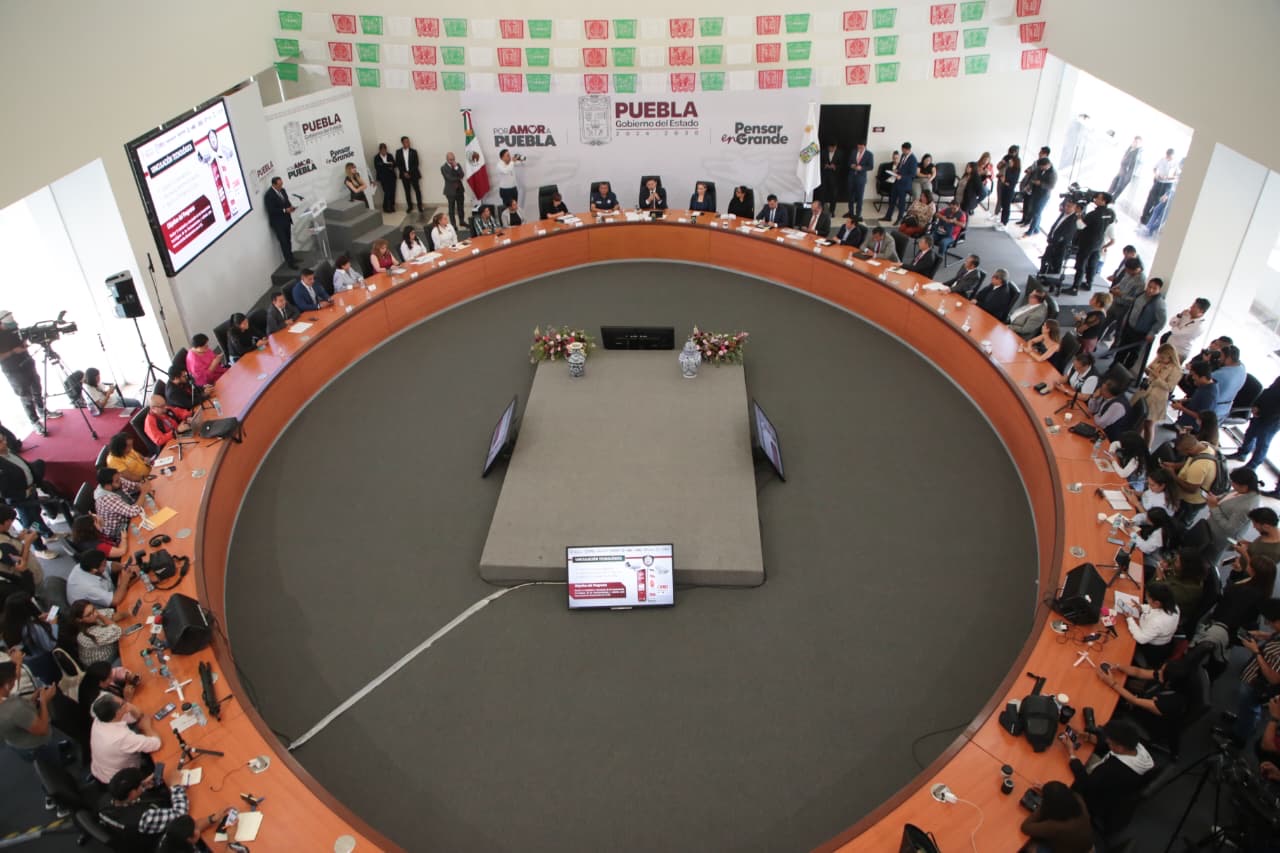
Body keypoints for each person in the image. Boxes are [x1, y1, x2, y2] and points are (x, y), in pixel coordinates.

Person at [1063, 718, 1153, 835]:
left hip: (1098, 801)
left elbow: (1087, 784)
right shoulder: (1138, 748)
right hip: (1117, 792)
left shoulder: (1114, 770)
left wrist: (1071, 753)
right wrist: (1089, 737)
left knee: (1064, 777)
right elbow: (1112, 747)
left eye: (1109, 742)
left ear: (1120, 748)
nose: (1107, 741)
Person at [1097, 653, 1198, 751]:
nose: (1158, 671)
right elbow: (1139, 672)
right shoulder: (1168, 678)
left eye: (1162, 671)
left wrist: (1111, 683)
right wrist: (1118, 667)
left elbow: (1134, 700)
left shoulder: (1171, 702)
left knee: (1106, 708)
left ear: (1169, 682)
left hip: (1150, 723)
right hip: (1143, 700)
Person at [1225, 599, 1280, 747]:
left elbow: (1274, 678)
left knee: (1250, 707)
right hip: (1254, 677)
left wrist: (1256, 651)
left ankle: (1239, 736)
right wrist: (1265, 635)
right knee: (1246, 706)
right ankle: (1242, 721)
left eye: (1270, 621)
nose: (1267, 624)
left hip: (1260, 684)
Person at [0, 434, 63, 559]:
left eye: (3, 439)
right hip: (21, 500)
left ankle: (47, 534)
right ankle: (39, 548)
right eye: (0, 442)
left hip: (31, 492)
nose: (5, 443)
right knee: (30, 524)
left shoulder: (9, 452)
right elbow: (4, 492)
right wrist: (25, 493)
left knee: (36, 516)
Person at [98, 766, 192, 844]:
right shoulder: (145, 818)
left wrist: (142, 787)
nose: (142, 784)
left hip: (125, 838)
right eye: (140, 784)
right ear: (132, 793)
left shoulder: (105, 800)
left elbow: (130, 798)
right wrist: (176, 786)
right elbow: (180, 814)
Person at [0, 311, 59, 434]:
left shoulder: (14, 328)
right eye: (8, 324)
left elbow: (22, 339)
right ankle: (35, 422)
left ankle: (42, 410)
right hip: (13, 369)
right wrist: (13, 351)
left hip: (27, 361)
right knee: (25, 395)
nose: (12, 325)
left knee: (37, 387)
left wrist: (25, 344)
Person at [90, 693, 161, 784]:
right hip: (118, 780)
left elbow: (137, 716)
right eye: (123, 703)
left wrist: (127, 706)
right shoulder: (120, 737)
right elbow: (156, 744)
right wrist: (147, 727)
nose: (126, 703)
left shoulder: (101, 718)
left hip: (102, 769)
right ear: (117, 713)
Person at [0, 659, 60, 762]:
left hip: (16, 741)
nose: (15, 683)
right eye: (14, 681)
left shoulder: (7, 702)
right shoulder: (14, 708)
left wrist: (32, 701)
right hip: (36, 745)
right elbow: (42, 729)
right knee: (51, 761)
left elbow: (17, 718)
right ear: (6, 685)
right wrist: (44, 701)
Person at [1205, 467, 1262, 564]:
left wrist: (1214, 508)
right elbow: (1228, 495)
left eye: (1234, 483)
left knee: (1210, 559)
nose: (1231, 484)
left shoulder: (1246, 506)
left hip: (1220, 537)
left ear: (1244, 486)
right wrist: (1216, 498)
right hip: (1212, 527)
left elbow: (1230, 528)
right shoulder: (1242, 491)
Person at [1019, 780, 1092, 853]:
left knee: (1028, 845)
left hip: (1068, 850)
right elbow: (1064, 794)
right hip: (1085, 844)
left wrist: (1044, 805)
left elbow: (1025, 827)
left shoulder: (1057, 826)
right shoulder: (1078, 799)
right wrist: (1048, 792)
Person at [1129, 343, 1182, 444]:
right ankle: (1132, 440)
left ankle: (1147, 446)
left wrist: (1157, 378)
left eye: (1163, 358)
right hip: (1146, 390)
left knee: (1149, 424)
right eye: (1159, 357)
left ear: (1170, 356)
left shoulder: (1176, 370)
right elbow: (1149, 367)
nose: (1160, 359)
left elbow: (1169, 387)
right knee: (1138, 419)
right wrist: (1149, 370)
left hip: (1157, 397)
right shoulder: (1159, 359)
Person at [1, 593, 57, 683]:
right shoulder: (32, 628)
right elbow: (49, 645)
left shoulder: (6, 626)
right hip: (43, 664)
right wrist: (53, 625)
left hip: (25, 664)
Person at [1161, 431, 1218, 521]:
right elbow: (1190, 460)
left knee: (1180, 521)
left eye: (1181, 452)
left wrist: (1173, 475)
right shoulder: (1203, 445)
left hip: (1192, 501)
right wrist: (1174, 465)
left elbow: (1192, 489)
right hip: (1190, 490)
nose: (1180, 454)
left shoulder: (1199, 466)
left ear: (1189, 450)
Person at [1115, 277, 1167, 370]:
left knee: (1133, 354)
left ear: (1159, 290)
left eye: (1154, 288)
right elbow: (1132, 308)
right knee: (1121, 349)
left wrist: (1152, 332)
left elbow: (1161, 321)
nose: (1150, 290)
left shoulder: (1159, 304)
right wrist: (1126, 319)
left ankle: (1124, 371)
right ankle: (1113, 368)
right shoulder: (1141, 295)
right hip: (1129, 328)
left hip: (1141, 334)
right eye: (1149, 287)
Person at [1231, 376, 1280, 470]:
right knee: (1249, 435)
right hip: (1259, 414)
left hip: (1271, 421)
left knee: (1262, 444)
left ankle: (1252, 466)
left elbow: (1277, 410)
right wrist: (1255, 406)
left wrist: (1260, 412)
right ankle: (1242, 454)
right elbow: (1267, 392)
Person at [1072, 191, 1116, 292]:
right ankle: (1089, 283)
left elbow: (1080, 226)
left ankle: (1075, 287)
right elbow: (1110, 223)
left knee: (1081, 264)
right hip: (1099, 242)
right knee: (1092, 264)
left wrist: (1078, 214)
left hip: (1087, 242)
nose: (1095, 199)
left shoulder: (1093, 214)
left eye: (1098, 198)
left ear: (1104, 201)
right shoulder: (1111, 213)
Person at [67, 549, 134, 610]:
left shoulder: (89, 564)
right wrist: (125, 578)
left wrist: (123, 566)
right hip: (101, 611)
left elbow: (110, 565)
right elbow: (115, 601)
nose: (106, 564)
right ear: (94, 570)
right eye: (104, 564)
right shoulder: (89, 587)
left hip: (111, 593)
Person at [63, 599, 122, 667]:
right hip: (105, 661)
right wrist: (100, 616)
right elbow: (117, 631)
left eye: (93, 609)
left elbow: (113, 616)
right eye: (89, 615)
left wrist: (129, 612)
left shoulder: (92, 614)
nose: (95, 614)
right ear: (79, 620)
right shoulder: (85, 635)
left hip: (111, 645)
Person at [92, 468, 143, 543]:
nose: (120, 481)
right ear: (107, 485)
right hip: (120, 531)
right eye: (117, 481)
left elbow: (134, 486)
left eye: (119, 478)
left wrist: (142, 487)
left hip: (129, 515)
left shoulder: (115, 480)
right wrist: (144, 492)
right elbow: (133, 512)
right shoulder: (106, 499)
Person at [1170, 362, 1217, 431]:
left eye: (1194, 376)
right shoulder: (1204, 385)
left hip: (1191, 428)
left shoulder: (1210, 395)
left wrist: (1181, 408)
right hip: (1185, 421)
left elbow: (1200, 416)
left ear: (1203, 378)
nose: (1192, 378)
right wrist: (1185, 400)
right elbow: (1199, 399)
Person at [263, 177, 297, 268]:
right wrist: (285, 210)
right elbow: (271, 210)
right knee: (284, 243)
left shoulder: (282, 190)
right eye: (279, 185)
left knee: (288, 241)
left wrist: (291, 207)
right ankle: (290, 263)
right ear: (274, 185)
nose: (281, 186)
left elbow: (286, 202)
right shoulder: (269, 195)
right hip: (278, 223)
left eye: (282, 184)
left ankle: (291, 257)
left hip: (286, 220)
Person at [1038, 198, 1079, 276]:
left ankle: (1052, 276)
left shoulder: (1074, 219)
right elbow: (1056, 225)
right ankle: (1042, 272)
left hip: (1061, 245)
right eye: (1066, 205)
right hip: (1053, 241)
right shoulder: (1063, 214)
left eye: (1069, 206)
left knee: (1056, 262)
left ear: (1074, 208)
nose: (1066, 207)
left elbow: (1068, 234)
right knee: (1045, 259)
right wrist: (1050, 235)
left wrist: (1056, 241)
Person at [1142, 148, 1180, 225]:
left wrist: (1168, 177)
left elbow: (1177, 176)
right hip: (1158, 182)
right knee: (1150, 200)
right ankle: (1143, 217)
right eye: (1167, 156)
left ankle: (1148, 220)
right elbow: (1155, 168)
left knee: (1158, 202)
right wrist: (1156, 174)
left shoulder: (1175, 163)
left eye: (1170, 157)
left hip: (1167, 184)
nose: (1168, 158)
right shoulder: (1162, 160)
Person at [1020, 157, 1058, 236]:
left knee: (1037, 212)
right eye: (1040, 167)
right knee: (1034, 211)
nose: (1040, 168)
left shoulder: (1053, 173)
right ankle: (1036, 229)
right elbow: (1034, 176)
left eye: (1042, 167)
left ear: (1047, 165)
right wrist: (1030, 185)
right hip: (1035, 192)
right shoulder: (1039, 169)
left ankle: (1030, 231)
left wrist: (1040, 183)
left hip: (1043, 195)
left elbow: (1051, 186)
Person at [1210, 345, 1247, 420]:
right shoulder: (1242, 367)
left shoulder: (1220, 375)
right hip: (1225, 409)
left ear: (1229, 358)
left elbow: (1202, 379)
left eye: (1221, 356)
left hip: (1212, 410)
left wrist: (1207, 362)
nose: (1219, 359)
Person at [886, 142, 917, 225]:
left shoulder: (913, 160)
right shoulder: (903, 155)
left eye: (903, 150)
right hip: (897, 182)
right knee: (892, 200)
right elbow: (901, 165)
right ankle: (888, 216)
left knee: (901, 203)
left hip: (904, 184)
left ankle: (899, 219)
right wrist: (896, 170)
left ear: (908, 150)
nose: (902, 151)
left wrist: (902, 177)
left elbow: (912, 174)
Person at [994, 145, 1021, 229]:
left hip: (1009, 190)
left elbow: (1013, 182)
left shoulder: (1016, 170)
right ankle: (1002, 221)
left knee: (1006, 206)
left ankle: (1005, 223)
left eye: (1011, 161)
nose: (1010, 162)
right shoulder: (1009, 168)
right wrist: (1001, 177)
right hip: (1004, 188)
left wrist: (1004, 181)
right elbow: (1001, 170)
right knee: (1003, 204)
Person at [395, 136, 423, 213]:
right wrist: (404, 173)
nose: (408, 143)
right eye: (406, 141)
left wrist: (409, 172)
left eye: (408, 141)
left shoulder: (414, 151)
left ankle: (420, 206)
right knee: (407, 191)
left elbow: (416, 163)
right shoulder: (398, 152)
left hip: (413, 174)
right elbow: (398, 164)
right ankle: (409, 207)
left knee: (417, 190)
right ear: (402, 143)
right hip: (404, 175)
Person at [439, 151, 465, 228]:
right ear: (447, 159)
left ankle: (462, 221)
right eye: (451, 159)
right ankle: (453, 224)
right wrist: (459, 177)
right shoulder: (443, 168)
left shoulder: (457, 165)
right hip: (450, 191)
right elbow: (449, 178)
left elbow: (462, 174)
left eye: (453, 159)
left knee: (461, 207)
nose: (452, 161)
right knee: (451, 209)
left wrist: (456, 167)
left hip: (459, 190)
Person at [846, 143, 873, 217]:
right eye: (858, 146)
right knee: (850, 196)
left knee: (859, 197)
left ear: (864, 146)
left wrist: (862, 168)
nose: (859, 148)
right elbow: (849, 162)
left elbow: (871, 166)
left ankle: (858, 214)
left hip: (861, 179)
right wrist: (851, 165)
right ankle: (850, 212)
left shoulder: (869, 154)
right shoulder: (853, 152)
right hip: (851, 177)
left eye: (861, 146)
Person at [372, 143, 397, 213]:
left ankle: (392, 206)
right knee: (387, 192)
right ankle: (385, 207)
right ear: (379, 150)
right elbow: (377, 168)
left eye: (385, 150)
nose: (384, 151)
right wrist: (387, 165)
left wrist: (390, 165)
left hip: (392, 176)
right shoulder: (376, 157)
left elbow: (394, 164)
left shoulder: (390, 155)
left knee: (392, 192)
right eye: (382, 150)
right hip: (383, 178)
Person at [818, 143, 841, 207]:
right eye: (831, 148)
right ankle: (821, 208)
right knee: (822, 193)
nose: (832, 149)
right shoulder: (823, 152)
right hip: (824, 176)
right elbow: (818, 163)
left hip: (834, 177)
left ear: (836, 147)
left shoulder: (839, 153)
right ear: (828, 147)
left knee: (833, 194)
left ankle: (832, 210)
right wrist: (824, 166)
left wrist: (835, 167)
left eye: (834, 148)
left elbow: (842, 165)